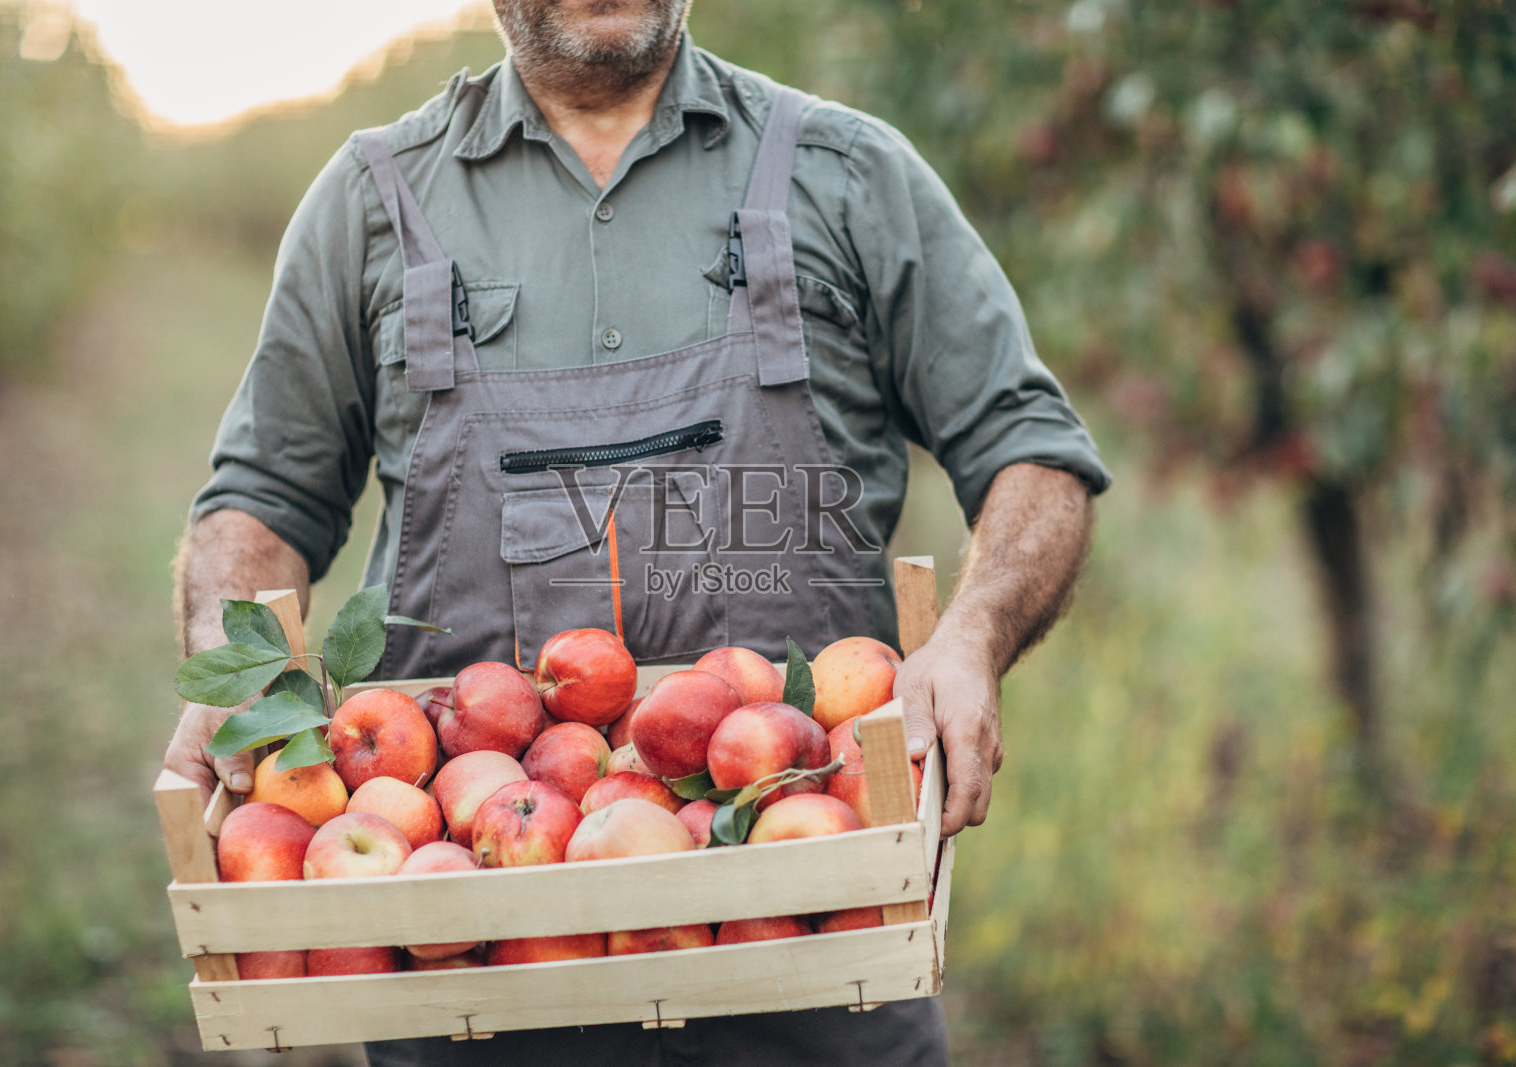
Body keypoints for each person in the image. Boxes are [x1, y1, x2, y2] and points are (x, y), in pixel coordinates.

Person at [165, 1, 1111, 1062]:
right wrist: (230, 662)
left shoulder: (847, 176)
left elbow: (1033, 451)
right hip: (473, 975)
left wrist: (972, 637)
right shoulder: (372, 203)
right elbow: (263, 496)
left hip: (818, 952)